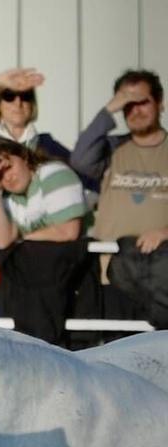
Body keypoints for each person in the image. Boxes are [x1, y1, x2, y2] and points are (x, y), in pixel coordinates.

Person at [73, 70, 168, 322]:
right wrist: (110, 109)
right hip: (112, 273)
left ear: (160, 103)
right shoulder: (112, 149)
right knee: (117, 352)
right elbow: (80, 159)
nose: (135, 110)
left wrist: (165, 232)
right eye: (128, 104)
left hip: (162, 278)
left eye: (143, 101)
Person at [0, 138, 87, 345]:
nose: (8, 178)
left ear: (24, 157)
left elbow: (68, 231)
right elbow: (3, 240)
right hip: (37, 279)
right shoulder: (8, 198)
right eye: (0, 175)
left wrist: (25, 238)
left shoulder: (53, 174)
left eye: (8, 167)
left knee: (25, 257)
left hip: (73, 270)